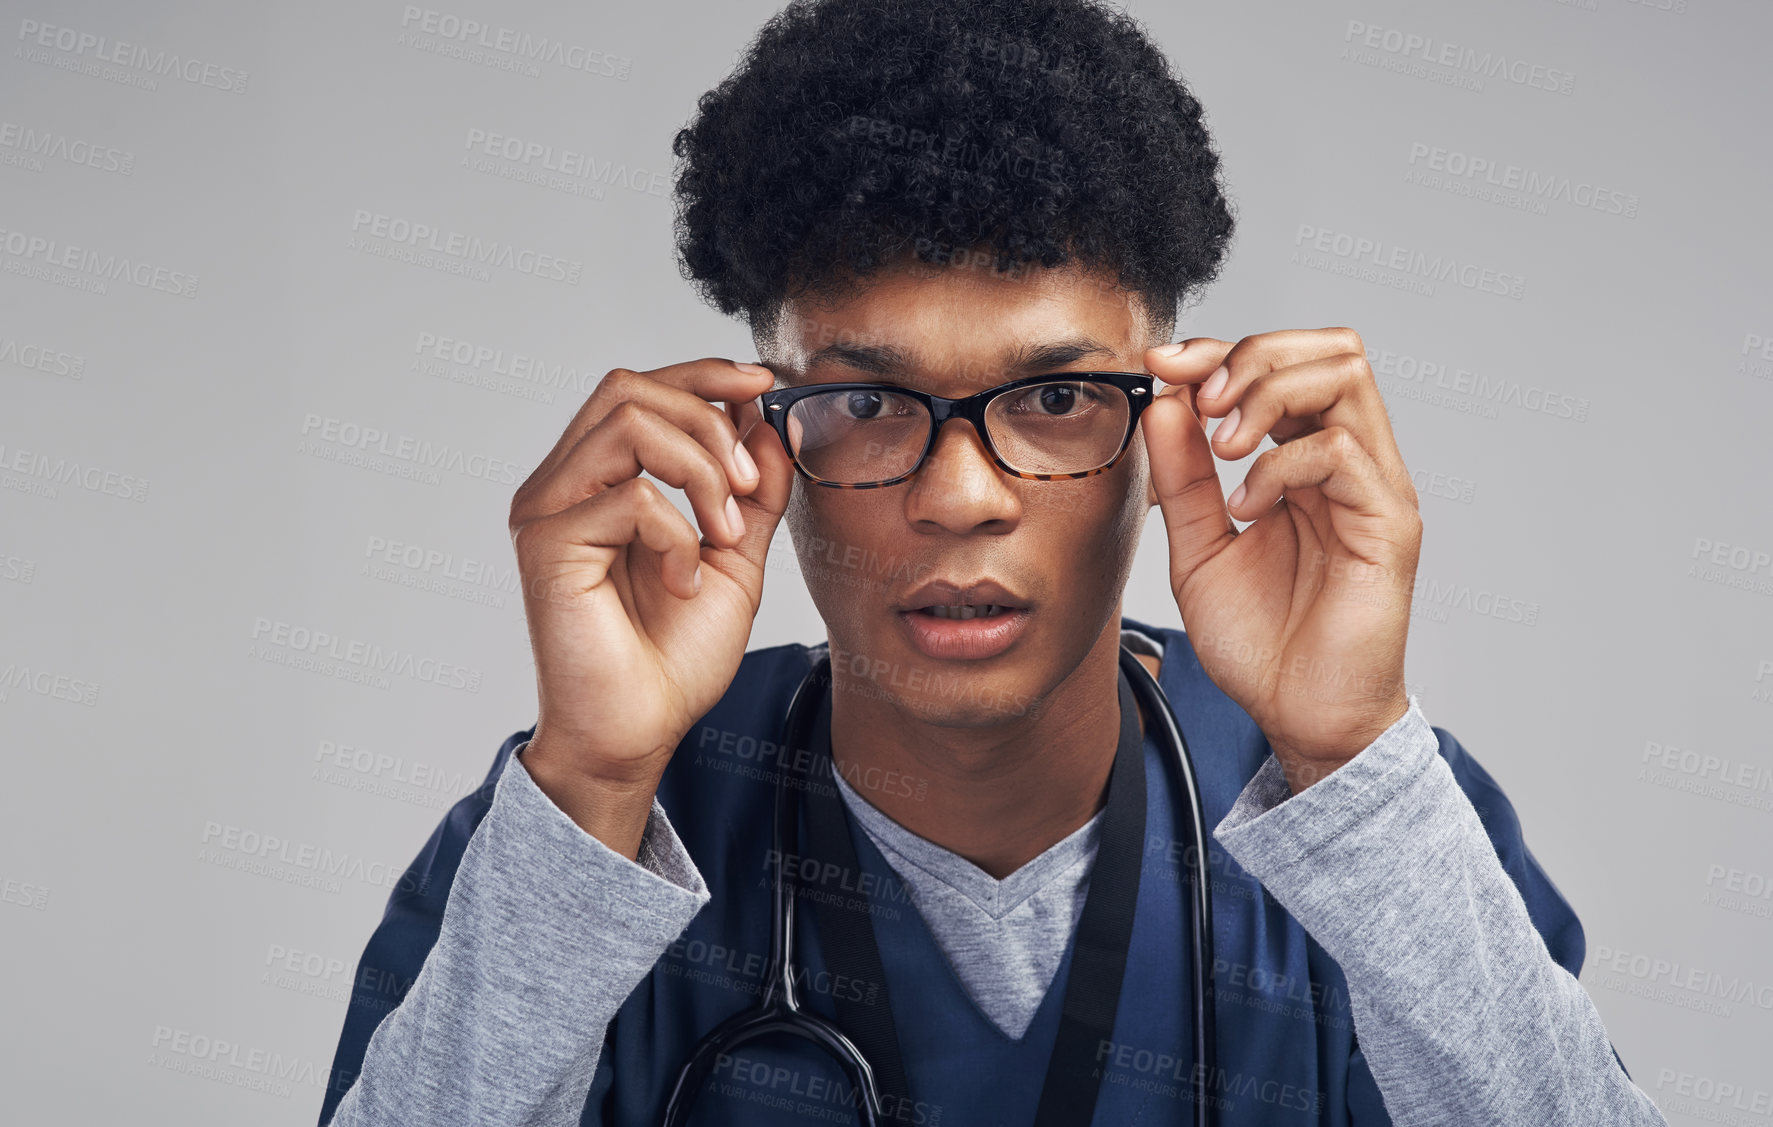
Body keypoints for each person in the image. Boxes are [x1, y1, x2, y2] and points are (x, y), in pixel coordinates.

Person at [318, 0, 1667, 1123]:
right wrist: (597, 778)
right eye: (862, 403)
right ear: (756, 431)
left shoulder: (1358, 815)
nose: (960, 497)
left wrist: (1355, 757)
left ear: (1176, 422)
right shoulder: (592, 825)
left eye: (1059, 399)